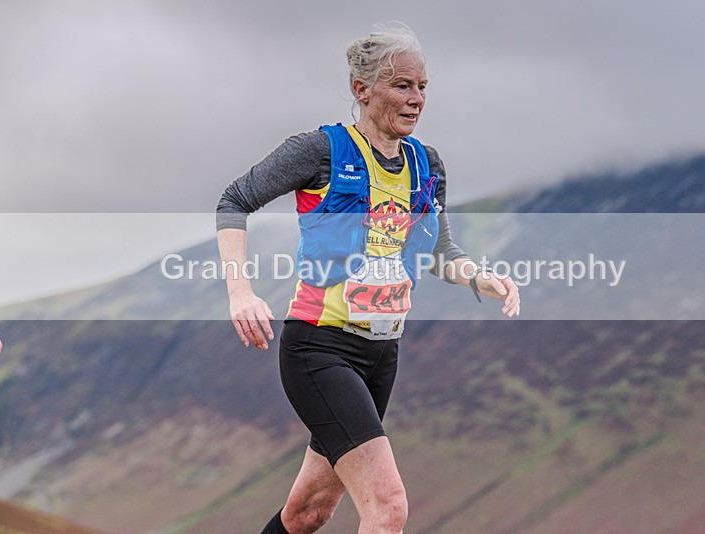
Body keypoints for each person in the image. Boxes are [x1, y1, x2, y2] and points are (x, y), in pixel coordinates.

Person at [216, 24, 520, 534]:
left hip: (382, 356)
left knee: (308, 512)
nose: (417, 99)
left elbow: (439, 251)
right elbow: (234, 201)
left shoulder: (428, 165)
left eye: (423, 87)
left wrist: (482, 279)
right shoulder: (319, 151)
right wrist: (240, 290)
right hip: (320, 349)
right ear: (362, 89)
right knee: (388, 507)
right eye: (402, 85)